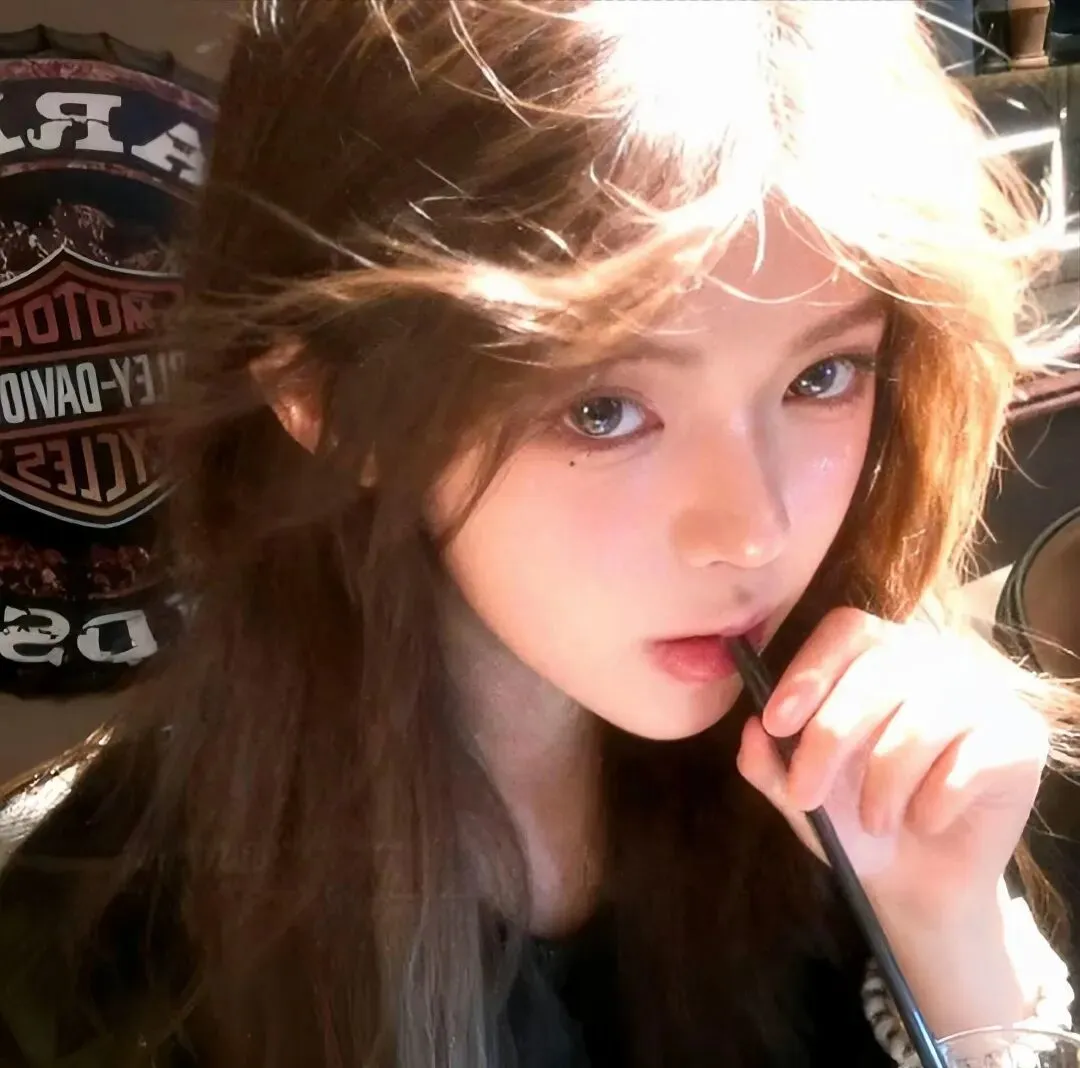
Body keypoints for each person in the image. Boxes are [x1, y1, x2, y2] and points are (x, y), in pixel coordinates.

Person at [0, 1, 1074, 1065]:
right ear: (331, 406)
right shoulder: (81, 959)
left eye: (822, 375)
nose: (755, 532)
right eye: (603, 410)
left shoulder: (867, 770)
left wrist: (949, 937)